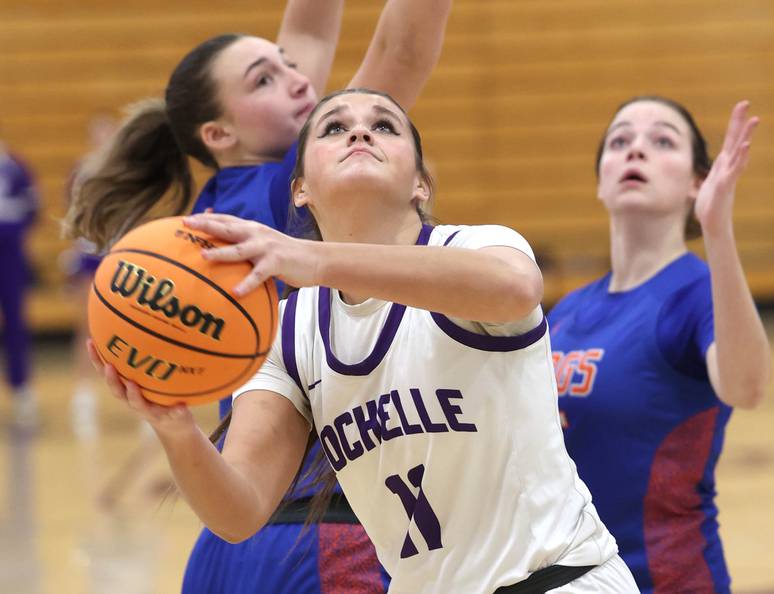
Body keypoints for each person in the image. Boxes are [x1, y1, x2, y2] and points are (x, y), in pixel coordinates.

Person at [89, 88, 639, 593]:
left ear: (420, 182)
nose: (360, 132)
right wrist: (175, 427)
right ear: (300, 189)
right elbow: (238, 513)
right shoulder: (286, 329)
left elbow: (516, 289)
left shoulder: (475, 245)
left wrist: (312, 259)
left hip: (561, 579)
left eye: (384, 125)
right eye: (333, 128)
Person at [66, 2, 451, 592]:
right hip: (325, 538)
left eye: (287, 66)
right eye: (265, 79)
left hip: (229, 539)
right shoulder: (289, 193)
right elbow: (401, 52)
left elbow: (309, 29)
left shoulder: (220, 209)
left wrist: (288, 60)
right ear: (220, 134)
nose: (298, 78)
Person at [548, 97, 771, 594]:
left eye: (662, 140)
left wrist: (718, 230)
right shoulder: (565, 313)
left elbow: (747, 387)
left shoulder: (696, 294)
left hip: (667, 581)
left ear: (698, 182)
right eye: (620, 140)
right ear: (600, 180)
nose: (636, 151)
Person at [64, 113, 119, 439]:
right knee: (85, 325)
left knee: (130, 326)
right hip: (87, 255)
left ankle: (146, 395)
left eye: (108, 132)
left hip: (118, 255)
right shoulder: (81, 172)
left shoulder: (129, 171)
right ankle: (83, 395)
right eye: (98, 133)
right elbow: (70, 216)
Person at [0, 139, 39, 431]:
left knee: (15, 322)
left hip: (10, 256)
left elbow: (33, 209)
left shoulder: (16, 168)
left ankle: (22, 392)